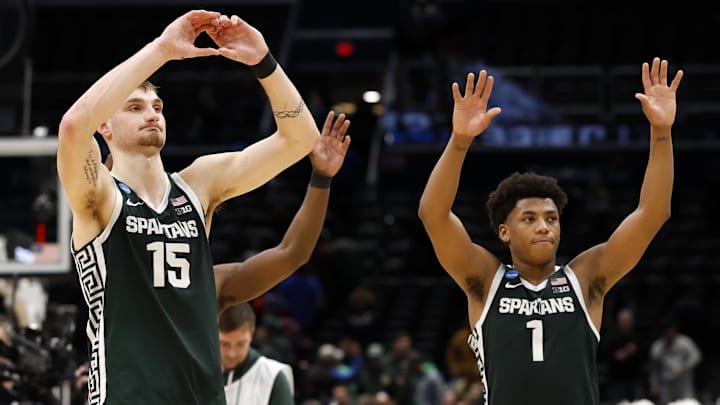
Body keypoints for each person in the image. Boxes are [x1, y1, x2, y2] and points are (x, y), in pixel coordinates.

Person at [58, 10, 321, 404]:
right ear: (106, 127)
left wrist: (264, 62)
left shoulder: (198, 184)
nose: (152, 113)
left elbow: (301, 139)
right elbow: (74, 127)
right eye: (134, 107)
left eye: (157, 106)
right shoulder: (100, 195)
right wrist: (162, 50)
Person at [417, 56, 683, 405]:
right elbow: (433, 215)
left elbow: (652, 214)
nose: (544, 226)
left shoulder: (586, 278)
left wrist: (661, 133)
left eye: (551, 218)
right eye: (529, 218)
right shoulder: (484, 280)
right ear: (504, 231)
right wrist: (459, 141)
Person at [219, 302, 294, 405]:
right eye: (224, 344)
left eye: (241, 344)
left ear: (252, 333)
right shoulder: (194, 371)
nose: (232, 353)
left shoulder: (273, 376)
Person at [648, 319, 702, 405]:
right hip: (666, 384)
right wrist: (654, 385)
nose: (669, 333)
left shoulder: (684, 342)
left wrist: (685, 366)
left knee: (686, 403)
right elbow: (654, 369)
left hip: (683, 382)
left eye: (671, 330)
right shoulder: (658, 346)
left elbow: (696, 356)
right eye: (667, 331)